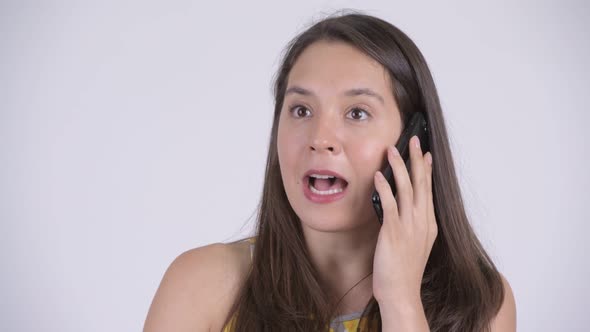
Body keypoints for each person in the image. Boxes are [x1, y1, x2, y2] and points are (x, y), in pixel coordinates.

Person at [143, 11, 516, 332]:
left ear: (413, 140)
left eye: (357, 113)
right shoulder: (202, 284)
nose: (320, 139)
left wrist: (401, 301)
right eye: (301, 110)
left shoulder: (480, 302)